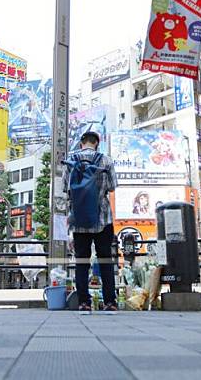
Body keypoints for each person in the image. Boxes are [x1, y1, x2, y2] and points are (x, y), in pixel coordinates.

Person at [62, 131, 118, 312]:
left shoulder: (71, 160)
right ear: (97, 144)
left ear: (81, 143)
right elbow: (112, 187)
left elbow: (66, 189)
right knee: (105, 261)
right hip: (103, 218)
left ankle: (84, 302)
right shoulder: (106, 161)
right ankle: (110, 302)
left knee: (81, 262)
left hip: (79, 219)